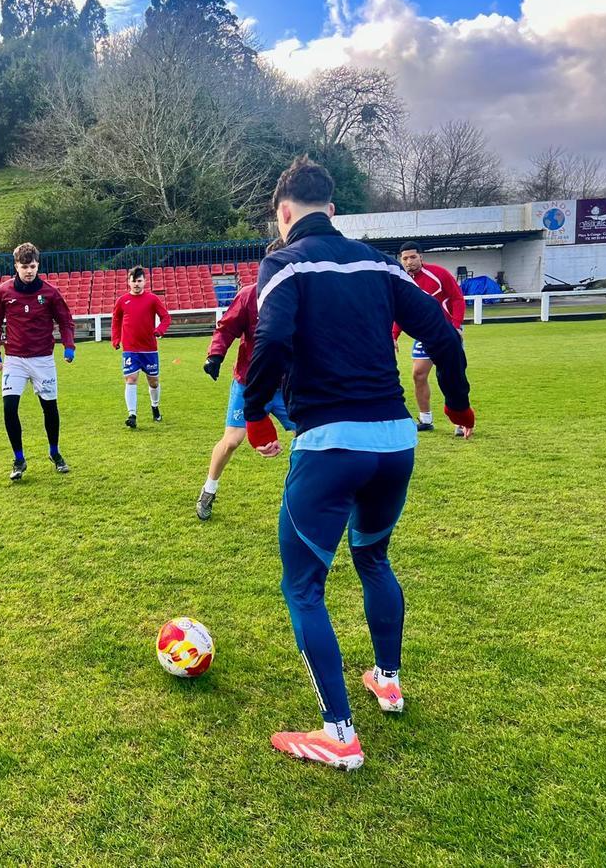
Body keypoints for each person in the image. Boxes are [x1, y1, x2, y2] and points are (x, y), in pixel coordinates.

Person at [242, 156, 473, 771]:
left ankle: (339, 733)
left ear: (283, 213)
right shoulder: (378, 261)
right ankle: (387, 681)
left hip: (331, 445)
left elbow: (272, 341)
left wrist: (257, 412)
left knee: (303, 587)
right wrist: (458, 405)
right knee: (372, 557)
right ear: (334, 211)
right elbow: (446, 335)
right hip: (396, 441)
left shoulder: (283, 262)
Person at [195, 240, 294, 521]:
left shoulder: (304, 296)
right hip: (249, 383)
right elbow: (226, 328)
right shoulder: (250, 295)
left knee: (312, 437)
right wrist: (215, 356)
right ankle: (208, 490)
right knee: (232, 440)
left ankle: (311, 498)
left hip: (289, 385)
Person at [0, 242, 75, 480]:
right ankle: (18, 459)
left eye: (32, 266)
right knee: (9, 408)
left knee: (49, 408)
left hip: (43, 360)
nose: (29, 271)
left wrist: (69, 346)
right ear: (16, 266)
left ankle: (55, 453)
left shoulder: (50, 293)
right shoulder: (3, 292)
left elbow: (66, 320)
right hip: (14, 359)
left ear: (38, 265)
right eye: (24, 266)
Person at [392, 241, 467, 434]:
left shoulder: (439, 274)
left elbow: (458, 299)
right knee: (418, 374)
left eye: (413, 257)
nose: (409, 262)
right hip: (424, 336)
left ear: (421, 257)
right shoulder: (402, 281)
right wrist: (393, 335)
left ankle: (459, 421)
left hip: (446, 333)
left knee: (452, 374)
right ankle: (425, 419)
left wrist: (456, 326)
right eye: (405, 258)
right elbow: (402, 313)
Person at [111, 266, 171, 428]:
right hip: (130, 349)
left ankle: (155, 406)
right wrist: (116, 338)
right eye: (133, 281)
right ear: (128, 282)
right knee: (131, 379)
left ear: (144, 281)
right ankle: (132, 414)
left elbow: (166, 317)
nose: (136, 284)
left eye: (139, 281)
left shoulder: (152, 299)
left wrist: (159, 330)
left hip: (149, 349)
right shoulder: (122, 301)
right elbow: (116, 321)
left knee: (153, 382)